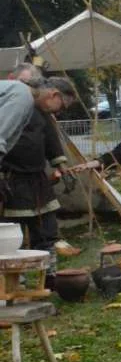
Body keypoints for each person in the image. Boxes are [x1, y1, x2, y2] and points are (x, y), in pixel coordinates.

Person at [0, 76, 75, 262]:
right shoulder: (21, 96)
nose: (60, 112)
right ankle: (13, 282)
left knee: (45, 231)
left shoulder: (31, 102)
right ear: (54, 94)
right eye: (63, 106)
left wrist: (61, 164)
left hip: (36, 179)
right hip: (12, 177)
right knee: (8, 236)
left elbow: (49, 138)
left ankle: (47, 275)